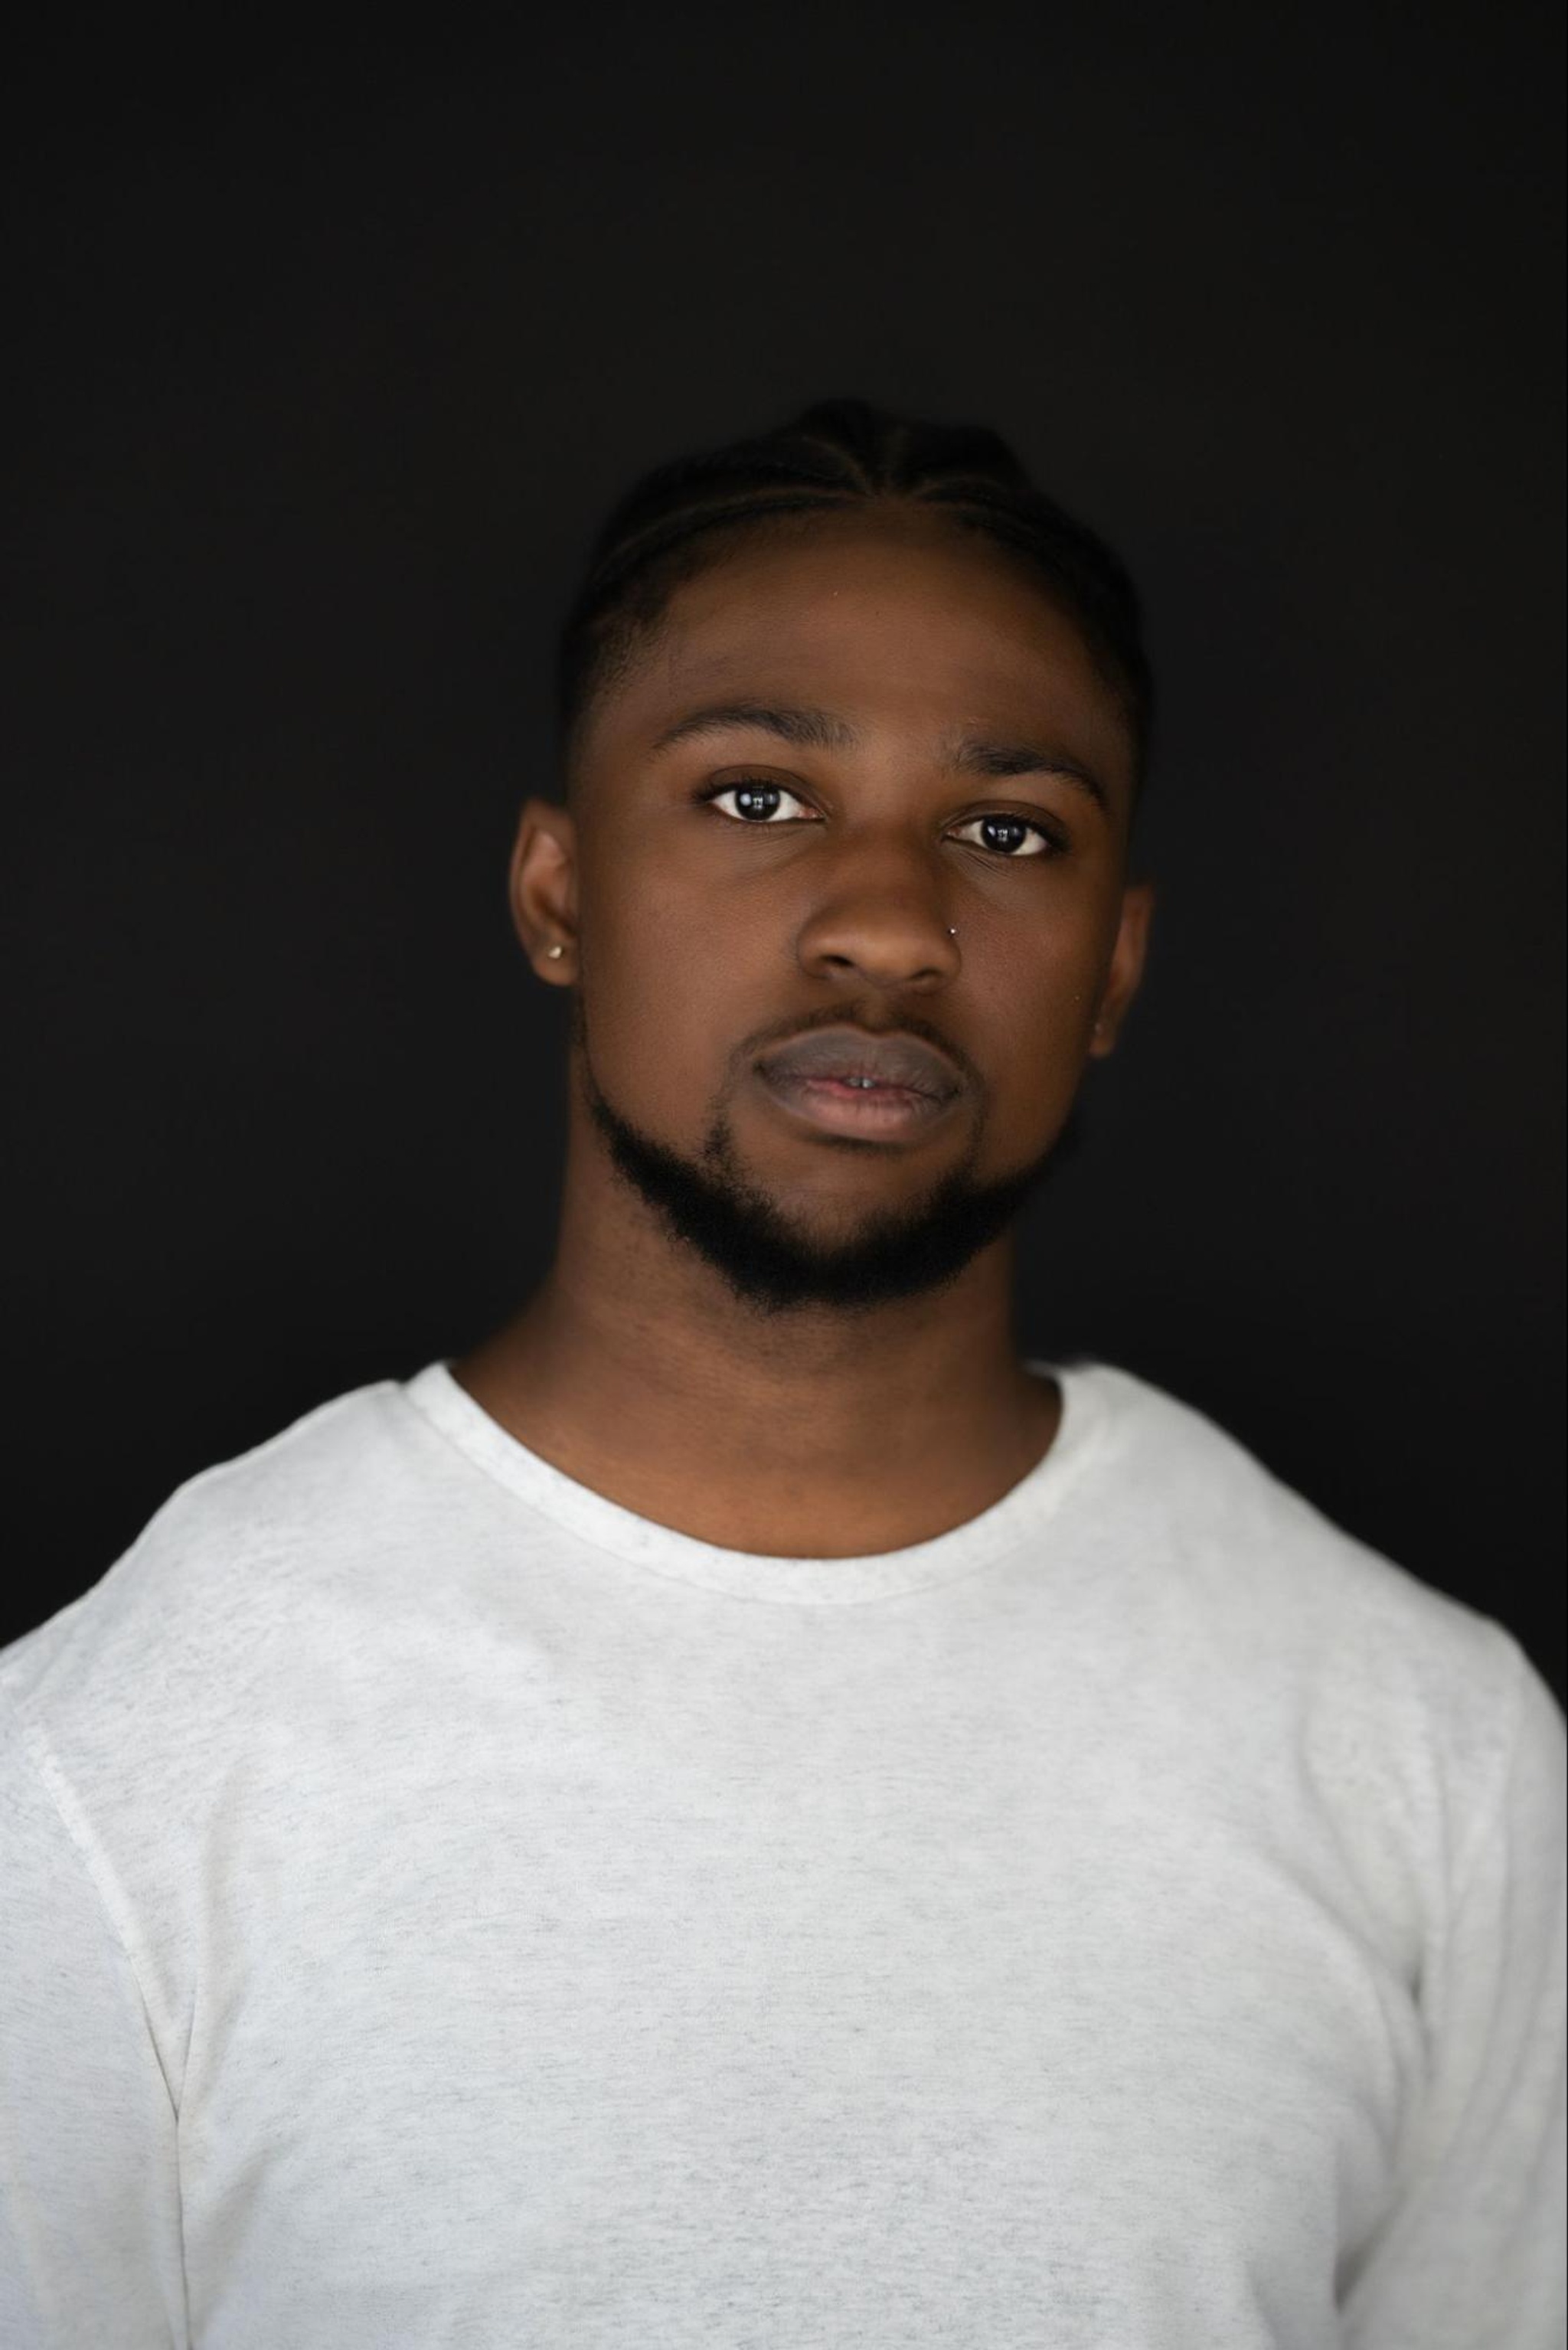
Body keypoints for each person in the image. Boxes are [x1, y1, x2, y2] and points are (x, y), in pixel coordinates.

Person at [1, 399, 1561, 2348]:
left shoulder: (1429, 1751)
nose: (892, 924)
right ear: (557, 893)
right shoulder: (109, 1762)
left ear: (1117, 966)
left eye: (1010, 832)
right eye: (756, 795)